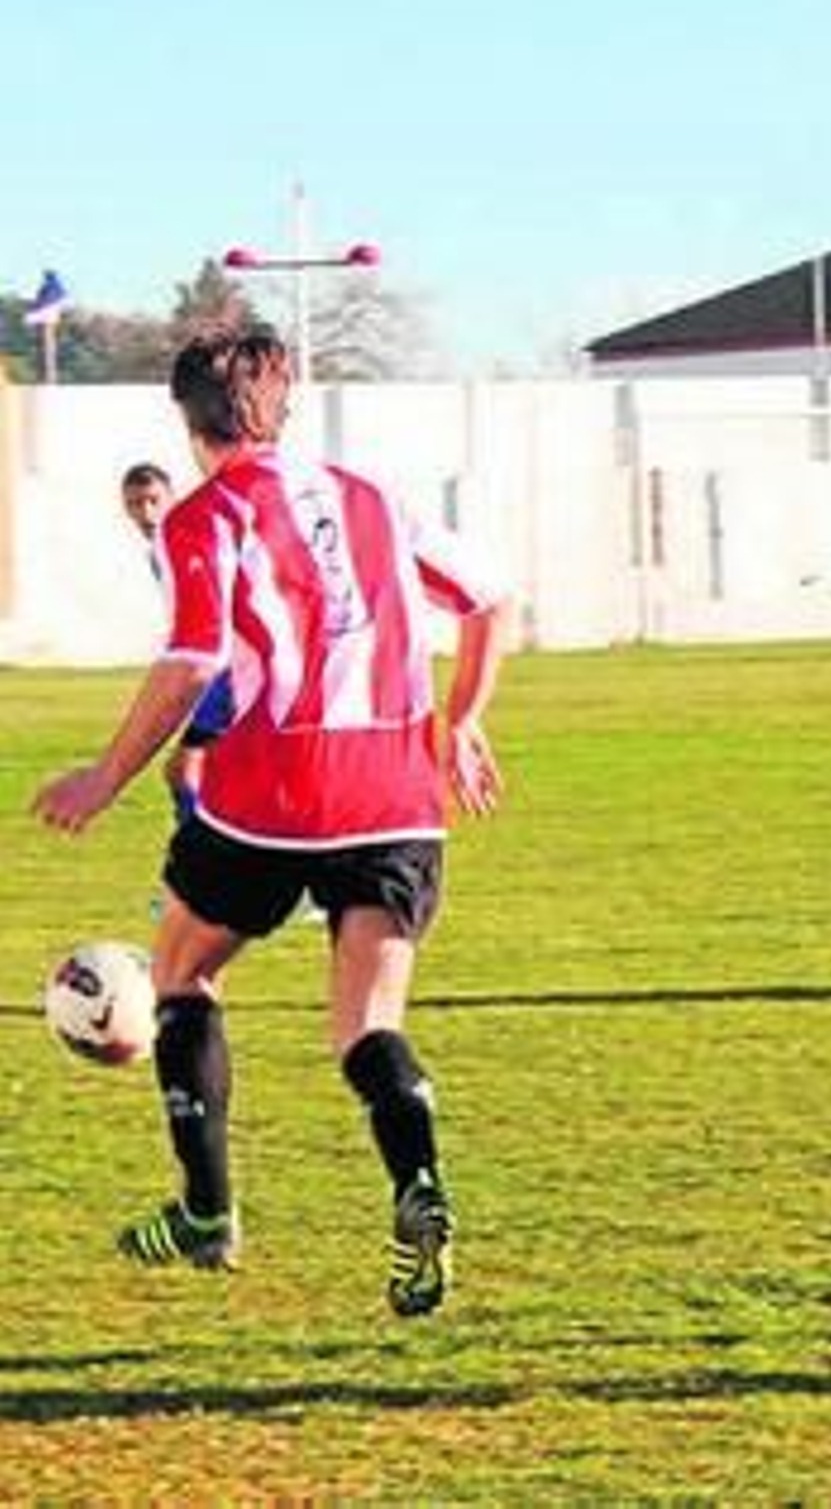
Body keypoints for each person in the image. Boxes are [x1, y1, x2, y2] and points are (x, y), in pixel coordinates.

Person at [37, 327, 509, 1317]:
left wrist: (107, 776)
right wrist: (460, 720)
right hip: (395, 788)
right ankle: (417, 1185)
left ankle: (208, 1210)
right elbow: (490, 602)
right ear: (282, 406)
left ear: (186, 417)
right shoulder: (372, 497)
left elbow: (193, 660)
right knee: (367, 1027)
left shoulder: (205, 516)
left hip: (274, 791)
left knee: (180, 972)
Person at [120, 461, 236, 824]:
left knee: (184, 769)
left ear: (173, 497)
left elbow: (217, 618)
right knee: (205, 773)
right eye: (135, 504)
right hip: (223, 673)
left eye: (154, 500)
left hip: (231, 672)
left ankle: (199, 866)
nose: (147, 513)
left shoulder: (189, 540)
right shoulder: (164, 547)